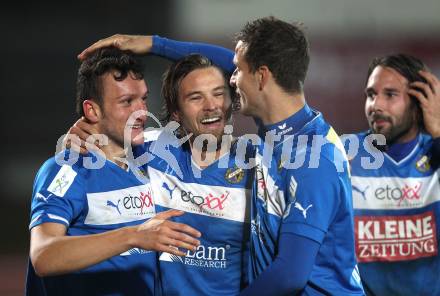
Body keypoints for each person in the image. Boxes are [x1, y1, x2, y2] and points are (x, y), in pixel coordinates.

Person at [78, 16, 364, 295]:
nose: (233, 78)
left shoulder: (314, 159)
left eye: (238, 70)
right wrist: (153, 44)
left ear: (262, 76)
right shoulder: (280, 128)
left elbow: (290, 274)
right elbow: (224, 61)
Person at [69, 54, 253, 295]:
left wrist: (157, 45)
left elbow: (251, 68)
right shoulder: (151, 150)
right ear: (176, 113)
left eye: (219, 94)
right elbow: (109, 134)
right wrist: (82, 132)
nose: (211, 105)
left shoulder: (257, 165)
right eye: (196, 97)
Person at [26, 47, 201, 296]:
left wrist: (156, 44)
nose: (141, 111)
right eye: (127, 102)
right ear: (92, 110)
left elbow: (231, 74)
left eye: (143, 98)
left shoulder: (155, 155)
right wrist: (133, 236)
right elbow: (44, 256)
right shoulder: (65, 170)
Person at [348, 54, 440, 295]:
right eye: (371, 94)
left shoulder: (434, 153)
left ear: (420, 100)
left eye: (390, 95)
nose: (376, 105)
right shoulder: (345, 155)